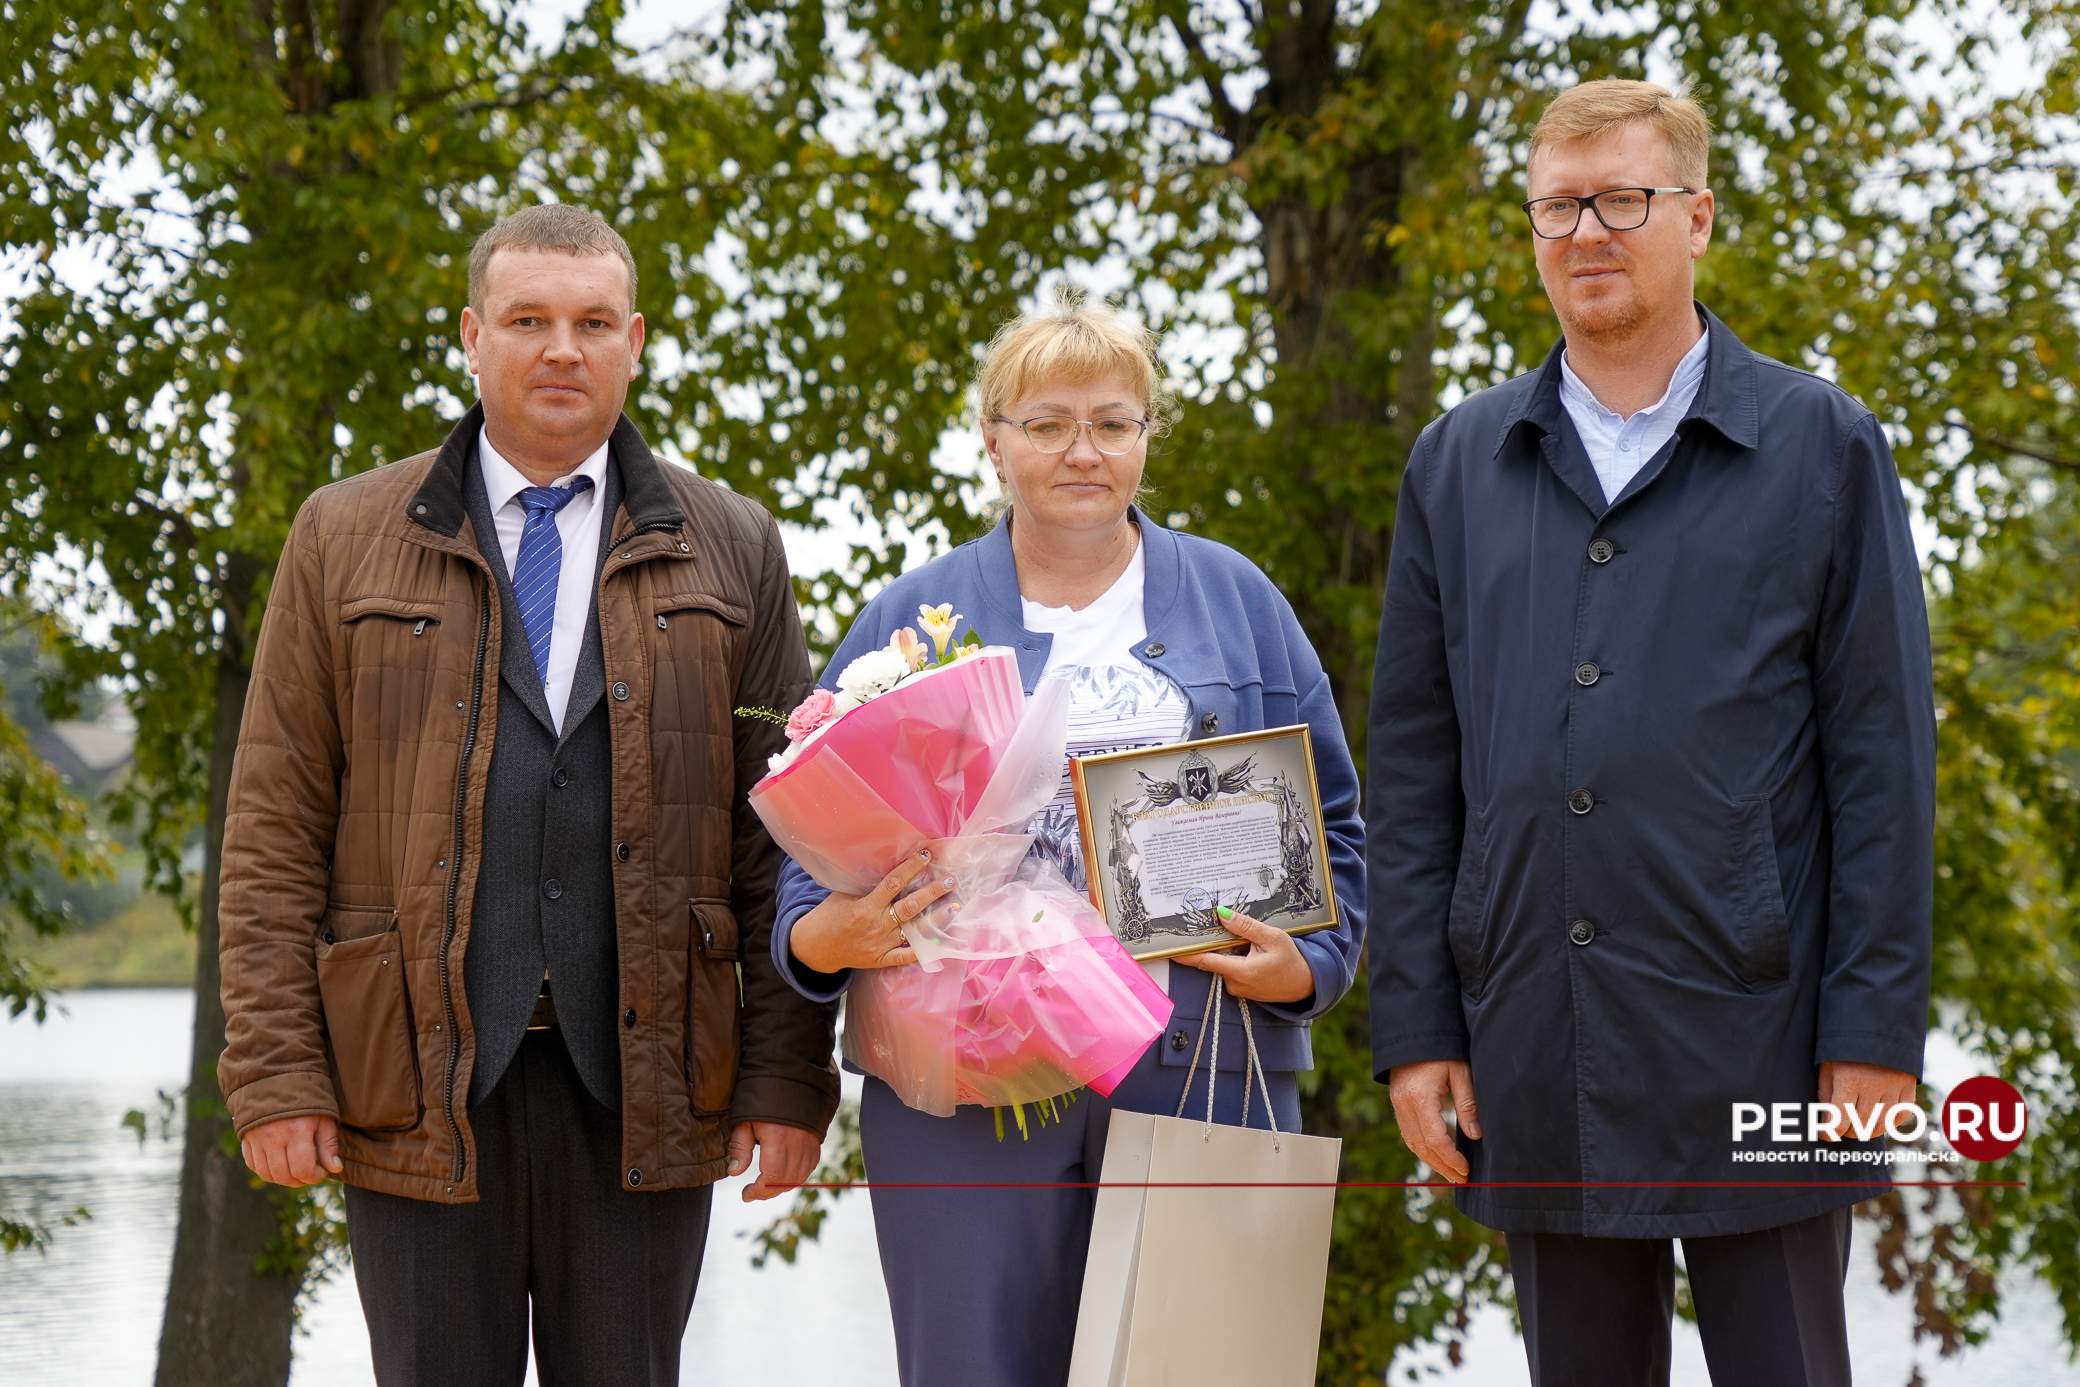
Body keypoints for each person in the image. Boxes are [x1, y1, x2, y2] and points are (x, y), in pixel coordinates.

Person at [1367, 79, 1936, 1385]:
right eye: (1558, 206)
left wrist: (1872, 1036)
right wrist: (1418, 1028)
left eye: (1623, 198)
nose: (1588, 232)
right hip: (1533, 1032)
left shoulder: (1822, 448)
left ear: (1698, 215)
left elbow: (1882, 764)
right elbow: (1413, 767)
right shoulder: (1457, 465)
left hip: (1767, 1038)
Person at [215, 203, 840, 1386]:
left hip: (651, 1080)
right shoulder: (340, 536)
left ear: (637, 339)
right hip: (412, 1077)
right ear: (470, 334)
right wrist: (278, 1074)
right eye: (529, 320)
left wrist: (786, 1076)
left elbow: (786, 841)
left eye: (593, 321)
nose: (563, 348)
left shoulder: (733, 543)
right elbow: (272, 831)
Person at [769, 290, 1366, 1387]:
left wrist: (1309, 967)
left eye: (1111, 421)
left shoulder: (1239, 601)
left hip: (1205, 1060)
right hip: (960, 1082)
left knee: (1201, 1371)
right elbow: (803, 865)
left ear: (1147, 437)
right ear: (993, 442)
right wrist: (824, 940)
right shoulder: (907, 621)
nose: (1080, 450)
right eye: (1045, 423)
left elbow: (1334, 825)